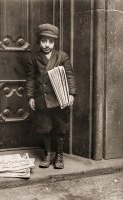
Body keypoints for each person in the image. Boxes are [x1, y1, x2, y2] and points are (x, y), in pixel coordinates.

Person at [26, 23, 76, 169]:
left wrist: (71, 93)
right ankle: (48, 154)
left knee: (60, 127)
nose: (47, 45)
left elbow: (70, 76)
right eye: (44, 41)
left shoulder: (62, 56)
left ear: (54, 42)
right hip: (42, 99)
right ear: (39, 41)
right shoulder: (34, 58)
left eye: (50, 41)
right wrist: (30, 97)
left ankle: (59, 155)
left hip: (60, 99)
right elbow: (30, 79)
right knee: (44, 127)